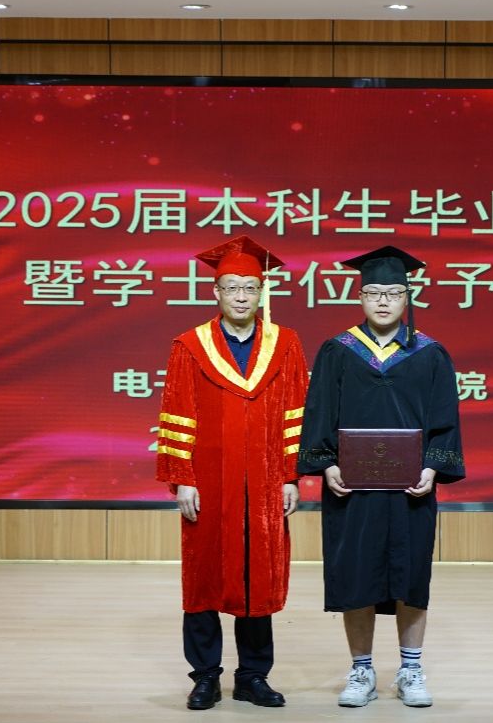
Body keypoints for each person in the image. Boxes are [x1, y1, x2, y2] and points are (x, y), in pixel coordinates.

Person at [297, 245, 465, 709]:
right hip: (351, 490)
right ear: (360, 297)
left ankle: (410, 669)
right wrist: (327, 464)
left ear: (407, 297)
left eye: (393, 293)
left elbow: (445, 420)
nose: (383, 301)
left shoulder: (430, 354)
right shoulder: (338, 351)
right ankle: (362, 671)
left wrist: (432, 466)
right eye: (373, 292)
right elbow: (318, 415)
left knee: (411, 576)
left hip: (412, 489)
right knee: (357, 576)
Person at [155, 235, 309, 711]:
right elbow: (176, 413)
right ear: (216, 292)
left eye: (250, 287)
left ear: (262, 291)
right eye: (232, 288)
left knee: (257, 579)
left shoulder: (285, 344)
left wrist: (290, 477)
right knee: (203, 578)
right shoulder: (189, 346)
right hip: (208, 482)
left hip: (264, 482)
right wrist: (182, 478)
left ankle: (252, 677)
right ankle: (205, 677)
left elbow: (296, 414)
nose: (241, 296)